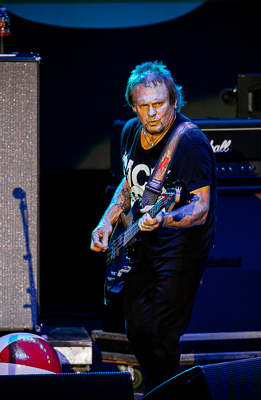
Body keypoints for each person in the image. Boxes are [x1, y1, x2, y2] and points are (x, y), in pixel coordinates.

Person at [90, 61, 217, 393]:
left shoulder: (189, 143)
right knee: (136, 331)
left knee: (163, 333)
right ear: (134, 106)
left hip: (181, 249)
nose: (152, 113)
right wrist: (107, 221)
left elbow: (201, 207)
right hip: (140, 247)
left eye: (159, 104)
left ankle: (159, 395)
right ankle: (168, 389)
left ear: (173, 101)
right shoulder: (130, 131)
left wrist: (164, 218)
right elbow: (129, 183)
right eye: (144, 106)